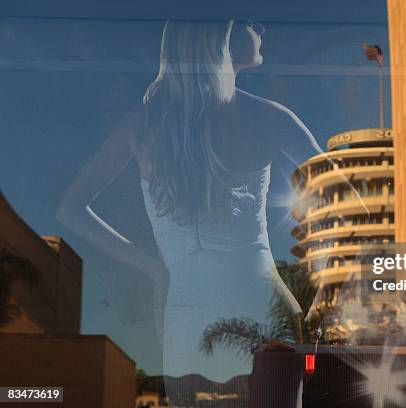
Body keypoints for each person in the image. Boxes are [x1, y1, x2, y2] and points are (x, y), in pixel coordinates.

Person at [57, 19, 364, 398]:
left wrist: (153, 269)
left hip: (186, 311)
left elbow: (71, 208)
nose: (262, 29)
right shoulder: (271, 117)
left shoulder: (143, 124)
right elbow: (352, 207)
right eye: (251, 22)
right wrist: (322, 292)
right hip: (262, 307)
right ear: (222, 37)